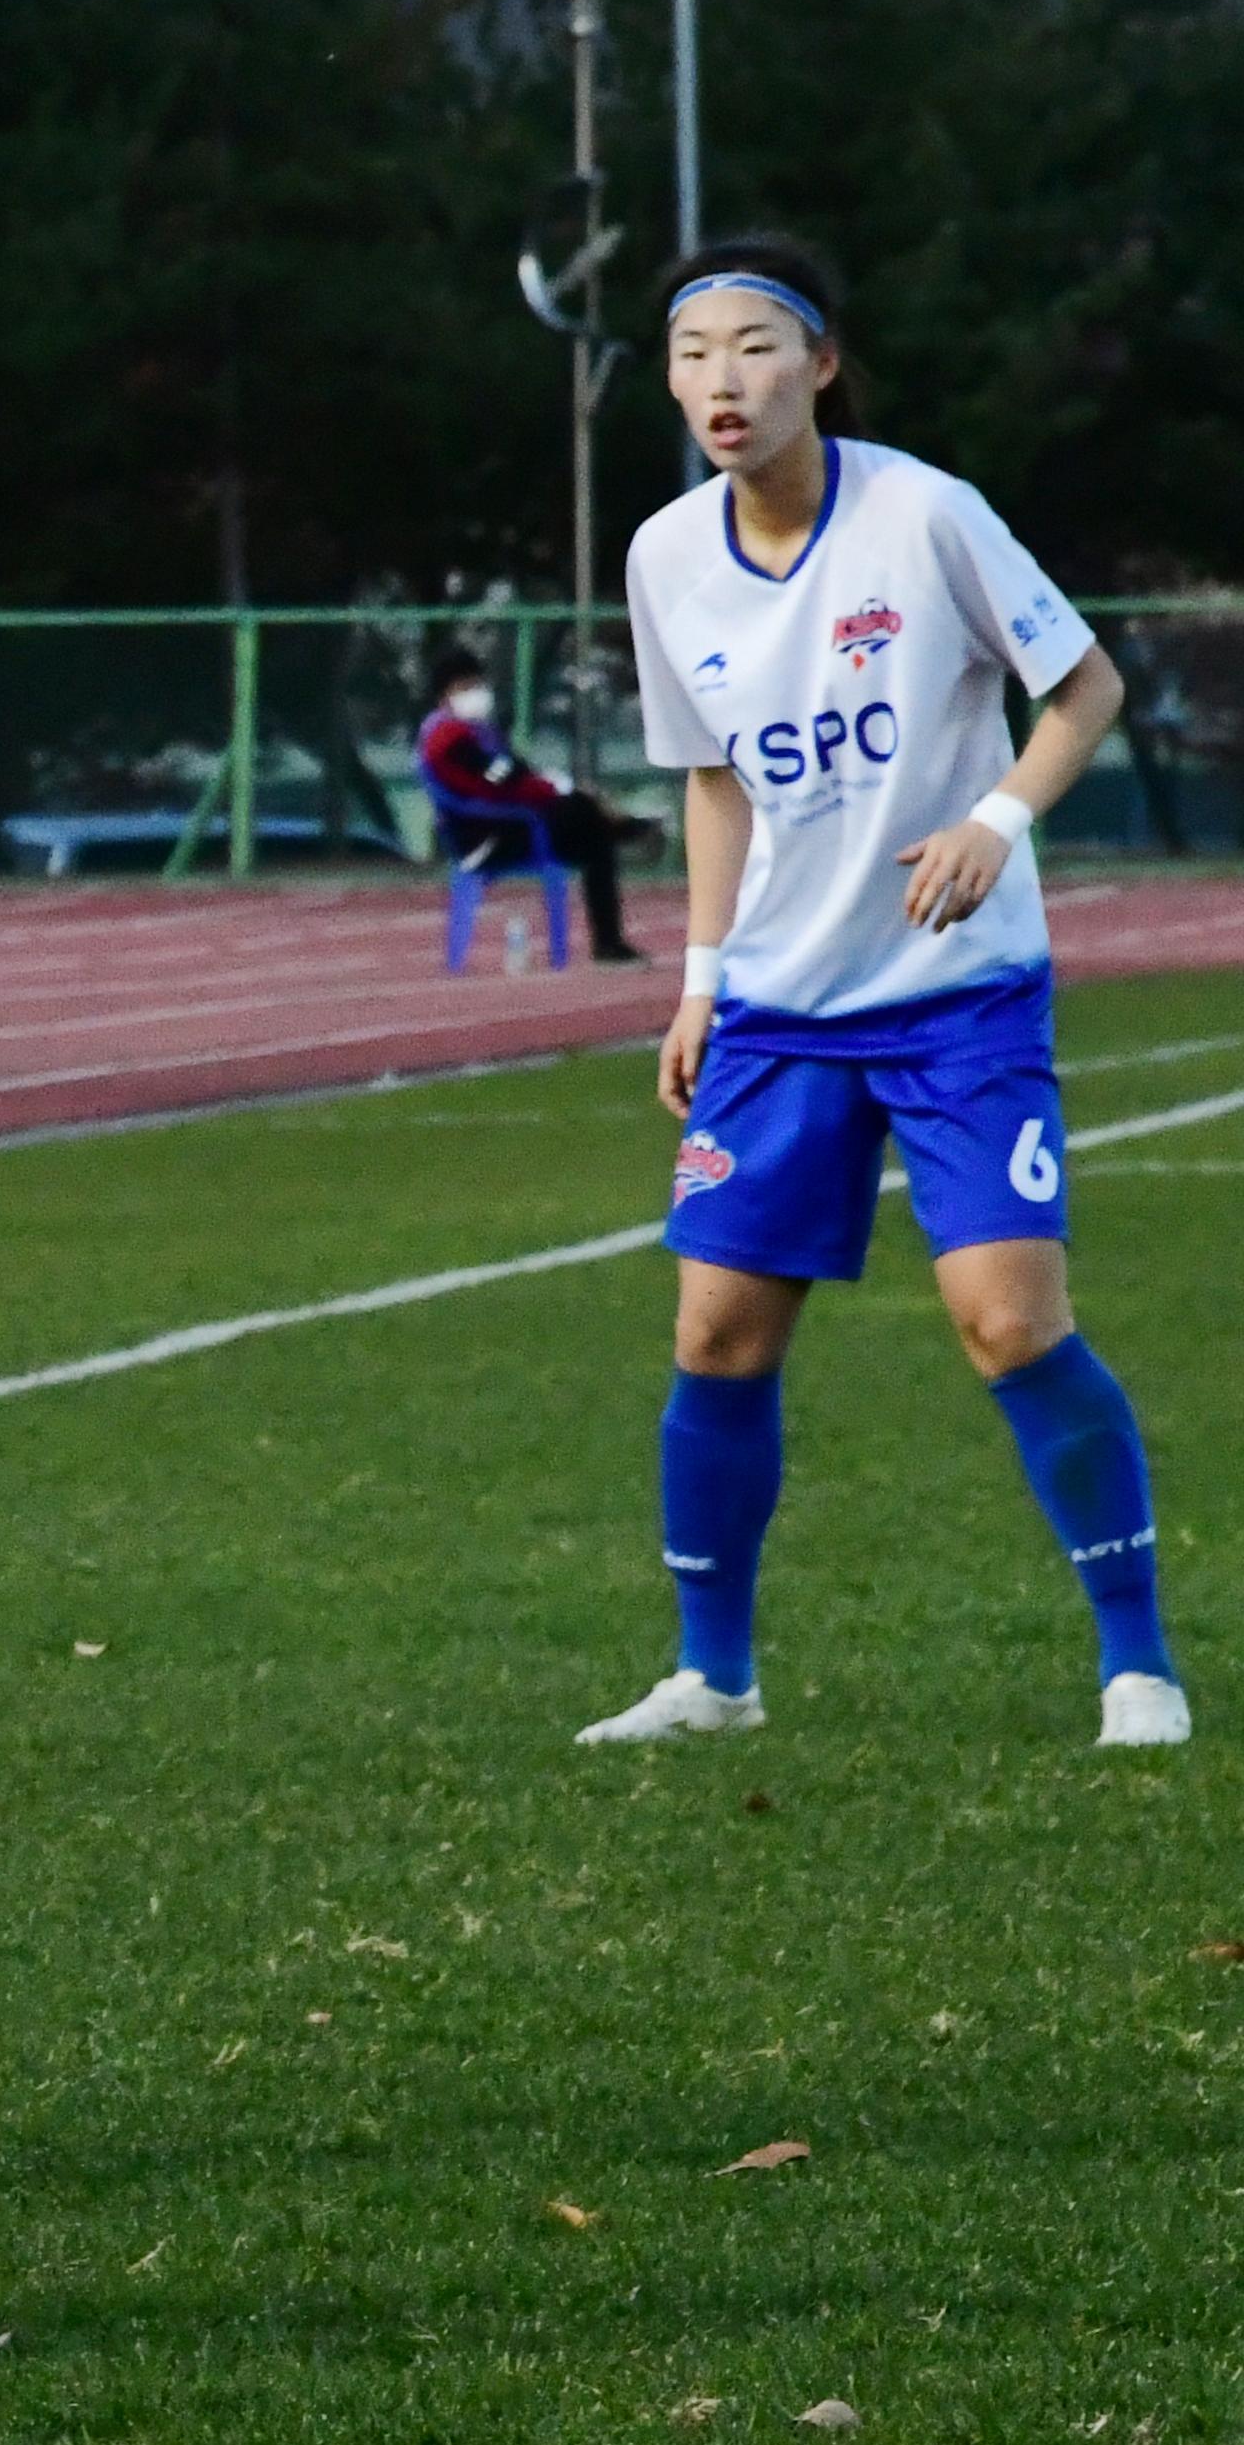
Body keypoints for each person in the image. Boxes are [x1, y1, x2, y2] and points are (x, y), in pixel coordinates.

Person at [585, 234, 1185, 1753]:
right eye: (692, 354)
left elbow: (1088, 686)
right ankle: (712, 1678)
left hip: (958, 996)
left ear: (822, 362)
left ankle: (1139, 1668)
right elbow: (713, 785)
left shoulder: (926, 515)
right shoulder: (665, 555)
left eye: (754, 347)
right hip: (777, 1009)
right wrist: (700, 984)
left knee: (1006, 1323)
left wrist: (997, 822)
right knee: (715, 1336)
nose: (722, 381)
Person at [414, 641, 642, 964]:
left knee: (592, 831)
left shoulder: (479, 730)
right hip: (486, 835)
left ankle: (609, 933)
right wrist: (552, 791)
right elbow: (502, 780)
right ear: (444, 693)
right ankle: (623, 830)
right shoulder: (446, 737)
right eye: (466, 686)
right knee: (588, 819)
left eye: (478, 684)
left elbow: (517, 773)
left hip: (512, 822)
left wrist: (553, 788)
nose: (476, 692)